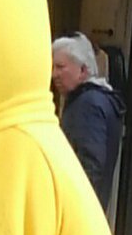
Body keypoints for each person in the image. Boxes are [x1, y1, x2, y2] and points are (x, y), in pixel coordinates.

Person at [51, 32, 123, 209]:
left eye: (61, 67)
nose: (54, 75)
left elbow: (90, 165)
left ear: (83, 70)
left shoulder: (87, 104)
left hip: (78, 208)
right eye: (52, 67)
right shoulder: (97, 99)